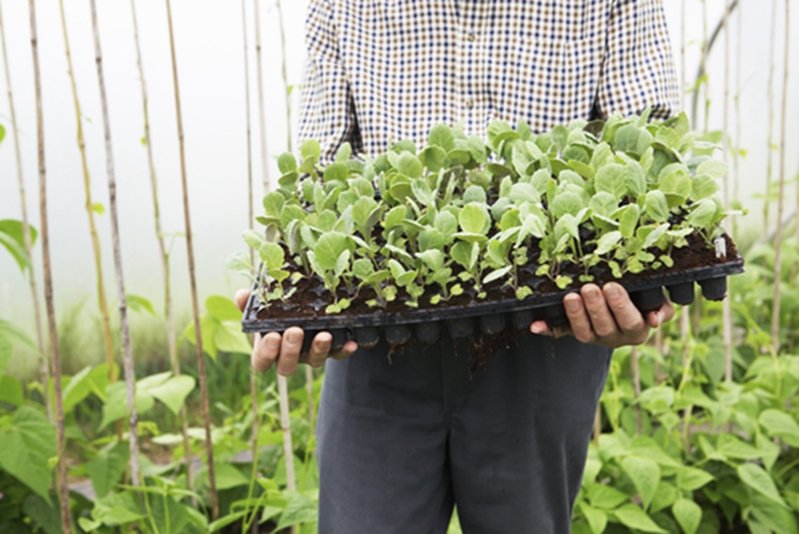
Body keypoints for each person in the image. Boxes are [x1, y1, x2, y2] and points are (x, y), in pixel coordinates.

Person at [235, 0, 677, 531]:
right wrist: (291, 290)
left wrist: (644, 284)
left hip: (545, 330)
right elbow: (320, 171)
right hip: (382, 336)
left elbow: (651, 157)